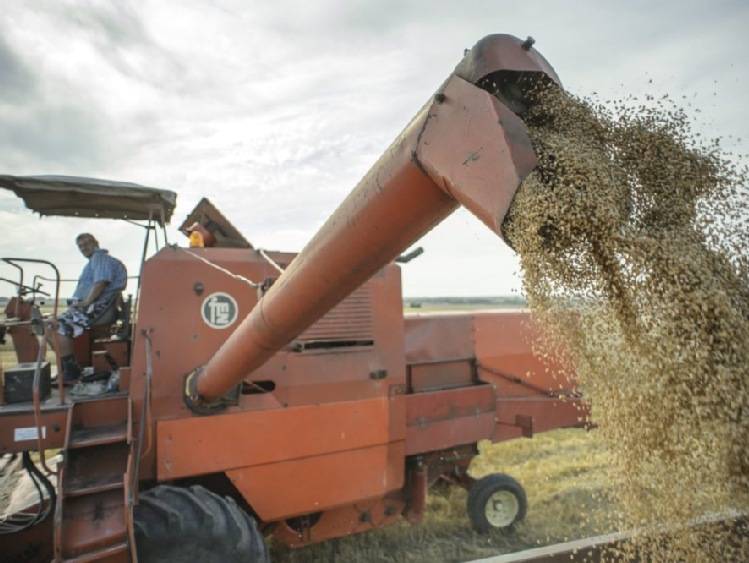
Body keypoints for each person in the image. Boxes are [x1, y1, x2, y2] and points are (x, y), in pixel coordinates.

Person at [49, 233, 127, 382]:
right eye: (80, 246)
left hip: (94, 309)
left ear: (95, 243)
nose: (83, 248)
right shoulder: (93, 262)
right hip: (85, 309)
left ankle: (71, 371)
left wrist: (86, 302)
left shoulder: (101, 259)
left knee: (55, 326)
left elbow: (100, 282)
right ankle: (67, 368)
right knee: (49, 327)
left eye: (86, 244)